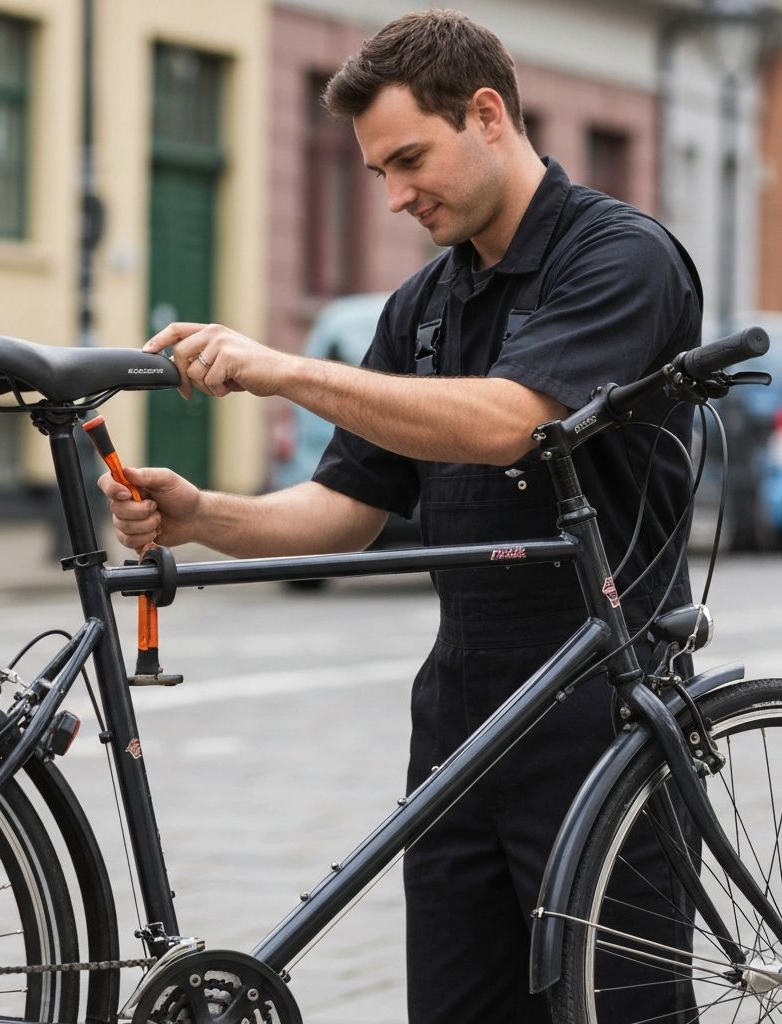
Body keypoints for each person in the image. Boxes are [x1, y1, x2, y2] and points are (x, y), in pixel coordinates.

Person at [100, 10, 702, 1022]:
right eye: (377, 171)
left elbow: (509, 420)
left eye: (409, 159)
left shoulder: (620, 257)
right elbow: (345, 510)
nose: (393, 195)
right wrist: (203, 513)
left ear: (487, 114)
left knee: (624, 1007)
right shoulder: (422, 304)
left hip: (604, 711)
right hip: (461, 714)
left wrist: (285, 368)